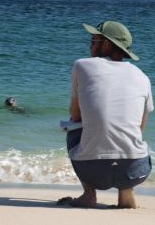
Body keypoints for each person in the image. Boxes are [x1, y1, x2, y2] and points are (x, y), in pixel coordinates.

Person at [57, 21, 154, 209]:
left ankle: (88, 195)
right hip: (135, 171)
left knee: (73, 128)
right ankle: (126, 194)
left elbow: (75, 115)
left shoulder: (82, 65)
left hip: (92, 171)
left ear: (107, 45)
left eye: (94, 40)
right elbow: (140, 127)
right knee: (130, 134)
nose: (90, 45)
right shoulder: (142, 76)